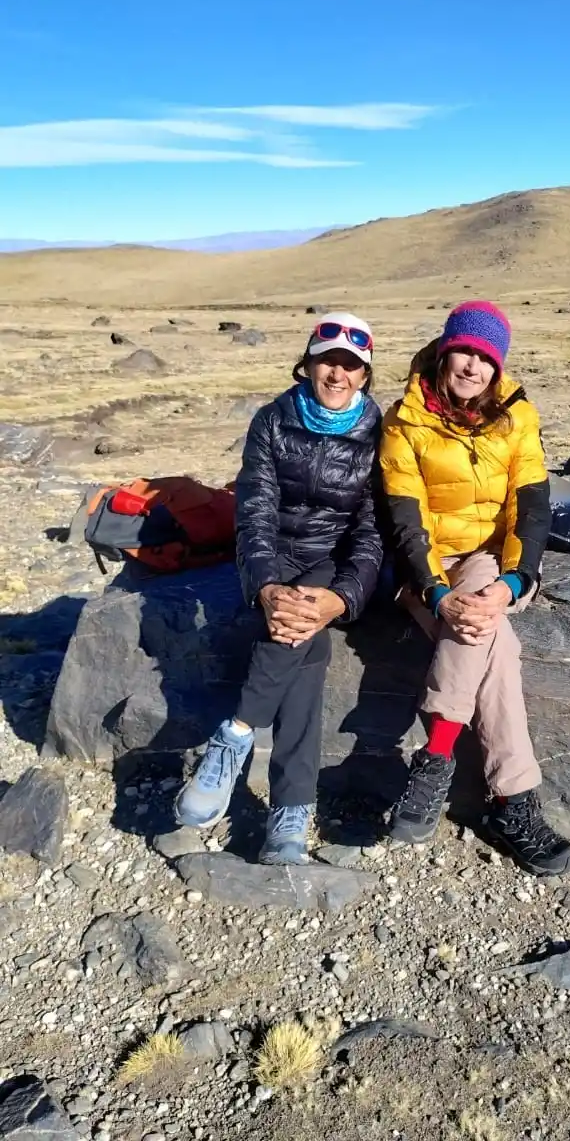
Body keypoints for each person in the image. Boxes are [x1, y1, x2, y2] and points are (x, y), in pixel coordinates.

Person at [380, 300, 570, 877]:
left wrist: (515, 582)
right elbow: (405, 519)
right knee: (498, 644)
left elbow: (531, 508)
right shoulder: (403, 422)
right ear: (444, 353)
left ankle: (434, 758)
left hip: (490, 560)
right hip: (426, 565)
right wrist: (434, 593)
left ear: (498, 367)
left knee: (482, 617)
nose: (473, 366)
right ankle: (513, 804)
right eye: (463, 352)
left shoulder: (518, 418)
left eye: (486, 358)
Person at [175, 313, 382, 864]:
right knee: (305, 647)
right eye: (327, 361)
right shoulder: (272, 420)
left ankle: (235, 735)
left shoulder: (378, 435)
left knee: (299, 626)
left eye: (351, 365)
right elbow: (255, 514)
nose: (337, 374)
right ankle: (290, 813)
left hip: (331, 561)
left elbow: (371, 532)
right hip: (276, 556)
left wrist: (342, 597)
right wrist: (266, 586)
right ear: (308, 365)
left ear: (365, 375)